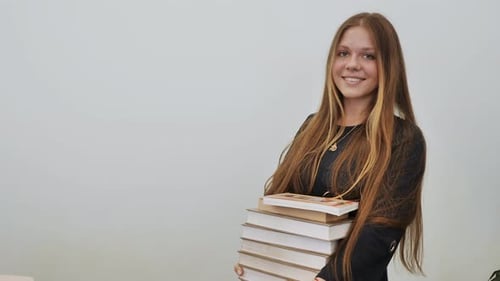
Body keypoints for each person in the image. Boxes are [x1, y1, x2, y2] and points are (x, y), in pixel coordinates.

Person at [235, 12, 426, 281]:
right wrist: (259, 260)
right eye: (343, 53)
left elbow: (381, 229)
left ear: (388, 65)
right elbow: (280, 202)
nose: (352, 65)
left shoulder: (404, 139)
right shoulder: (312, 126)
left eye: (368, 56)